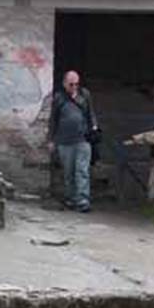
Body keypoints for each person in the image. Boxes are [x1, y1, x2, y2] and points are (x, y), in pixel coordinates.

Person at [48, 70, 100, 212]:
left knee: (82, 170)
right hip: (64, 140)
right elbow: (53, 119)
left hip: (83, 138)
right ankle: (71, 198)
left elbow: (90, 113)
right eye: (71, 84)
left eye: (76, 84)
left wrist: (94, 127)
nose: (74, 87)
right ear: (64, 84)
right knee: (68, 172)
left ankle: (83, 200)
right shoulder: (59, 98)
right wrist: (52, 139)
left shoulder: (84, 95)